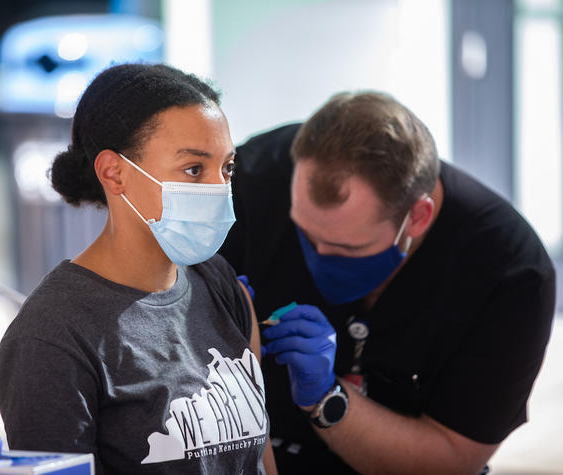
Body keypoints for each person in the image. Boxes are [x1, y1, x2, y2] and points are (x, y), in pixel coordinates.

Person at [219, 91, 556, 474]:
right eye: (306, 235)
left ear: (417, 218)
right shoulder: (253, 181)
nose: (317, 257)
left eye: (348, 247)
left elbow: (451, 458)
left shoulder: (509, 273)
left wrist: (326, 397)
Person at [0, 63, 278, 475]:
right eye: (194, 169)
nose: (219, 188)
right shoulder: (53, 335)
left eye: (227, 168)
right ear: (115, 173)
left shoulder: (217, 282)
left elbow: (260, 460)